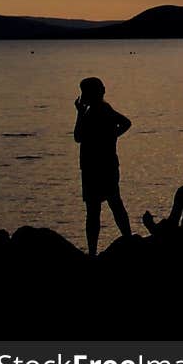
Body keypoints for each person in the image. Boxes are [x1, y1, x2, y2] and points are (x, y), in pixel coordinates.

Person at [73, 76, 133, 256]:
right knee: (114, 204)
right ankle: (127, 240)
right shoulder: (103, 109)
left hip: (95, 167)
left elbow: (78, 137)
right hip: (104, 165)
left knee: (95, 210)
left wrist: (79, 114)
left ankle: (93, 251)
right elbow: (126, 123)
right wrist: (113, 135)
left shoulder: (96, 111)